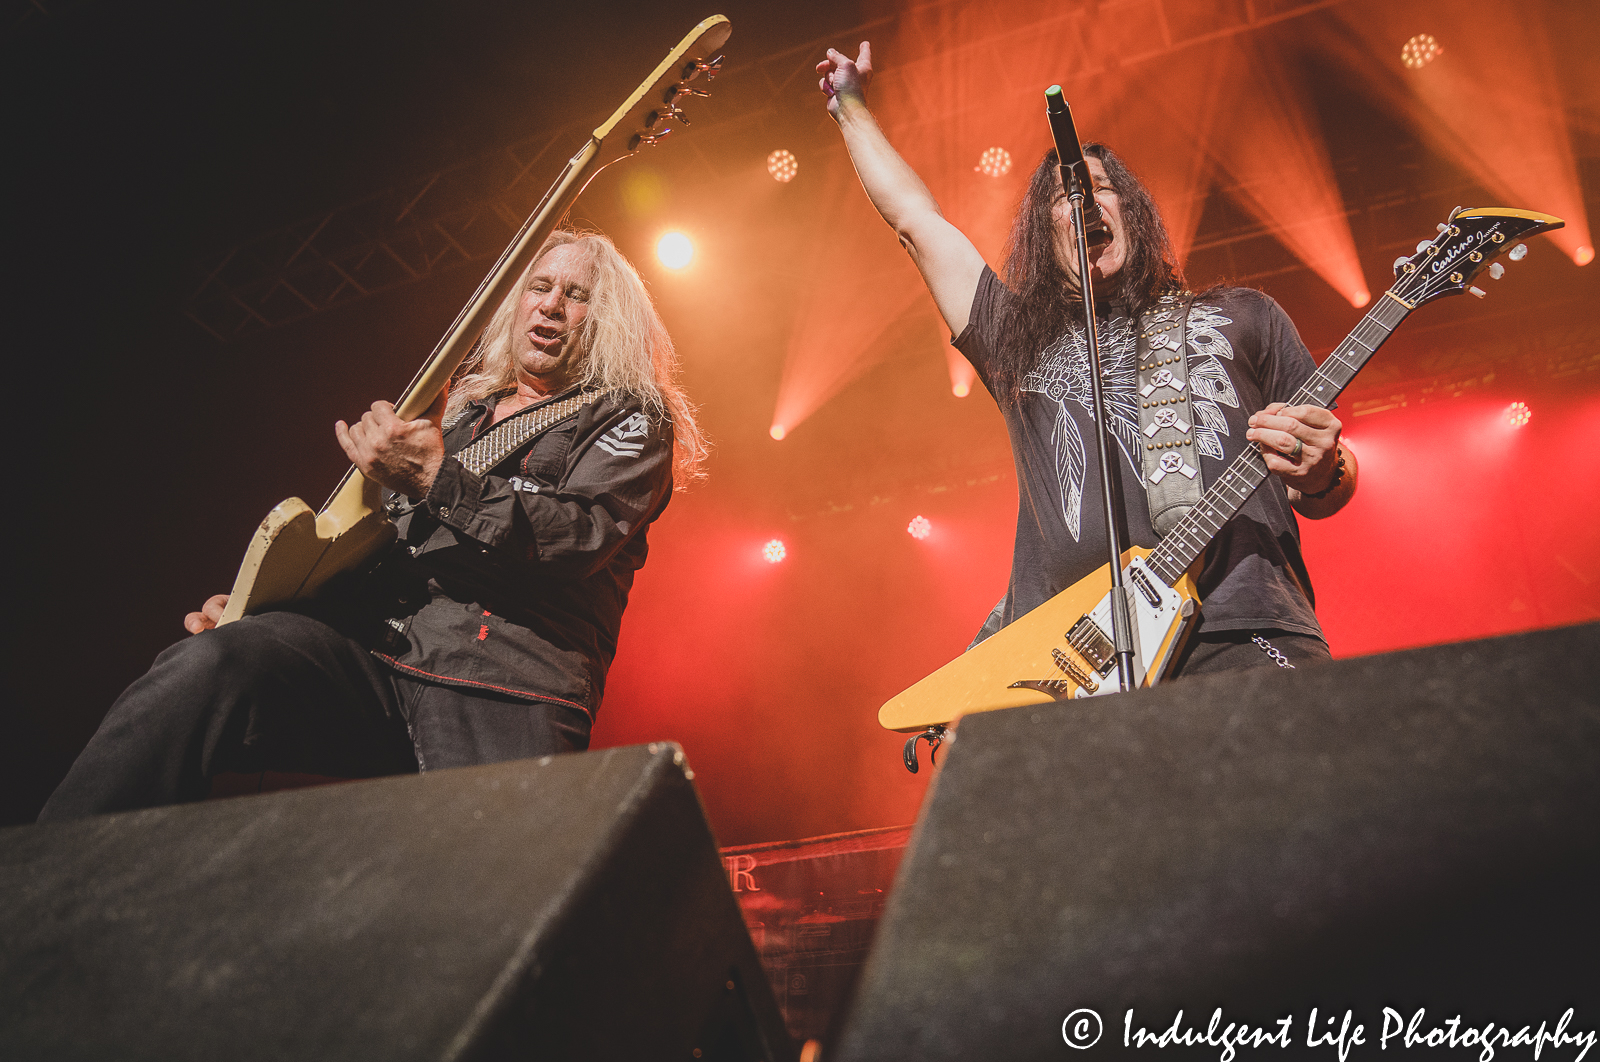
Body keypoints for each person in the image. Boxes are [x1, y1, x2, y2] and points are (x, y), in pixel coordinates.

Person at [40, 230, 705, 821]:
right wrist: (261, 603)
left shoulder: (631, 418)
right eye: (539, 285)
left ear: (607, 320)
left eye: (576, 294)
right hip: (380, 654)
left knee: (489, 892)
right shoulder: (458, 416)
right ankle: (40, 880)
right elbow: (375, 550)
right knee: (207, 665)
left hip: (500, 683)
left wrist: (435, 478)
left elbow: (576, 536)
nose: (552, 304)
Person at [817, 43, 1357, 675]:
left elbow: (1326, 489)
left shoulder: (1243, 315)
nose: (1086, 200)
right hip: (1079, 663)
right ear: (1043, 234)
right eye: (1063, 196)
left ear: (1133, 211)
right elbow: (917, 221)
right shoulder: (1016, 334)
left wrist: (1325, 470)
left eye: (1102, 188)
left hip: (1243, 629)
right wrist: (850, 106)